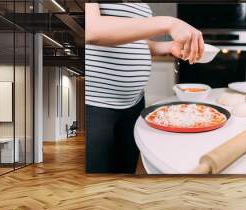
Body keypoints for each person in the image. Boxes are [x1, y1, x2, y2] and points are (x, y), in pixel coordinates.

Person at [85, 3, 204, 173]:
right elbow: (92, 29)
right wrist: (170, 23)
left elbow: (136, 43)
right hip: (95, 105)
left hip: (134, 103)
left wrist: (168, 47)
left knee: (125, 173)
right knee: (94, 183)